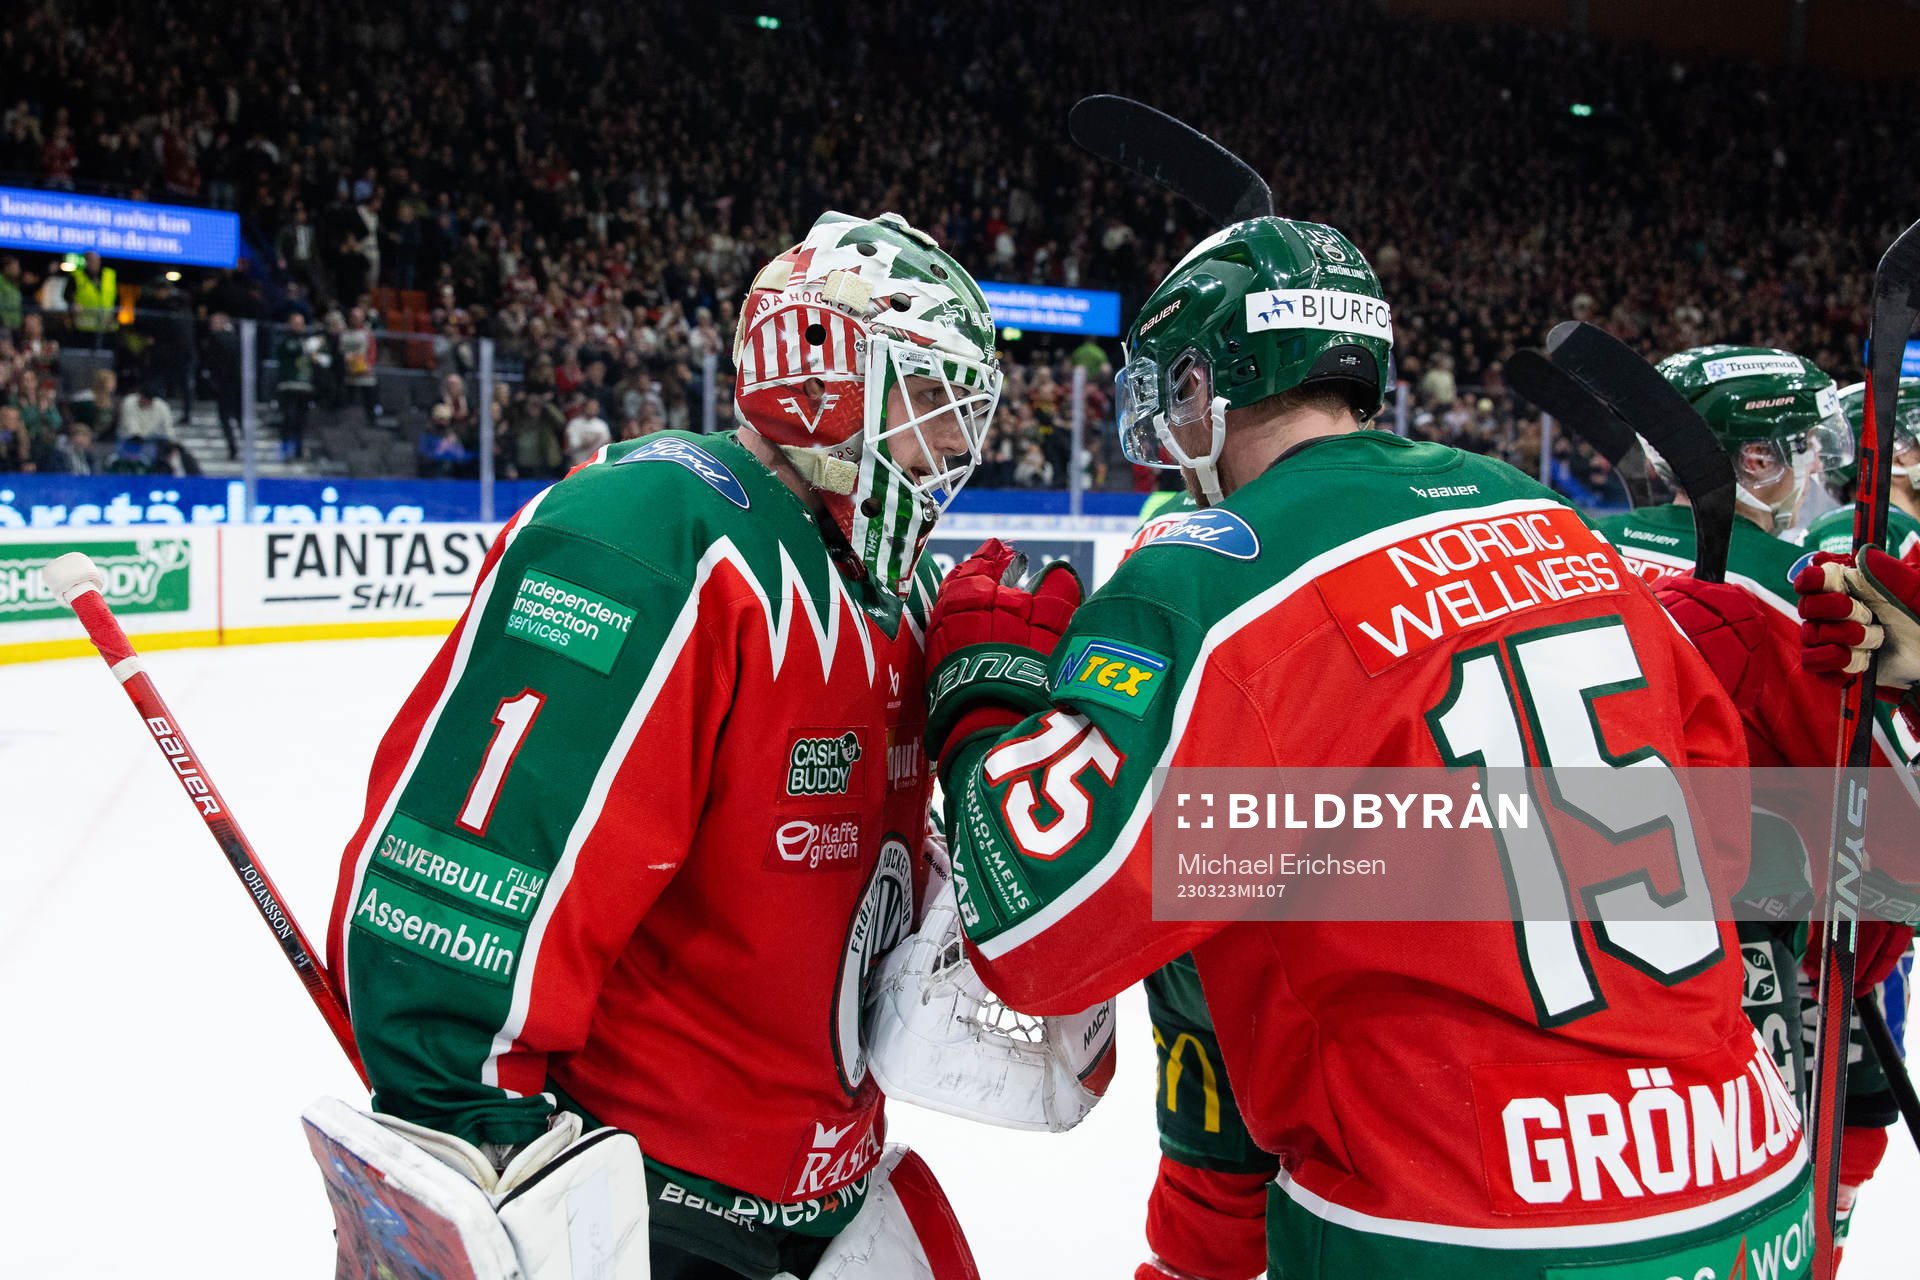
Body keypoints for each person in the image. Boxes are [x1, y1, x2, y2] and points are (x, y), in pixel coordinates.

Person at [916, 217, 1801, 1277]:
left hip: (1459, 1222)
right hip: (1742, 1184)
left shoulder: (1210, 570)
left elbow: (1035, 935)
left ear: (1201, 385)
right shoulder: (1552, 519)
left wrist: (984, 693)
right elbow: (1722, 837)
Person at [316, 211, 1079, 1280]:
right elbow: (478, 864)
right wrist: (462, 1114)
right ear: (822, 373)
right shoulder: (664, 530)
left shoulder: (893, 589)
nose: (957, 440)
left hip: (827, 1191)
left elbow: (886, 920)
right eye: (926, 396)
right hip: (655, 1203)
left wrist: (983, 729)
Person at [1623, 351, 1919, 1260]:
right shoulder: (1782, 595)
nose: (1818, 470)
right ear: (1755, 461)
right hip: (1751, 988)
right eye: (1803, 445)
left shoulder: (1572, 547)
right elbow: (1900, 853)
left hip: (1576, 987)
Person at [273, 312, 317, 461]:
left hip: (304, 386)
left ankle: (298, 450)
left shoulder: (306, 341)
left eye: (301, 323)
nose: (299, 326)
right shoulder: (285, 340)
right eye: (296, 323)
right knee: (288, 418)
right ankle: (286, 448)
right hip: (288, 385)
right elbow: (291, 350)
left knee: (301, 420)